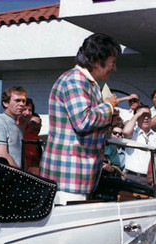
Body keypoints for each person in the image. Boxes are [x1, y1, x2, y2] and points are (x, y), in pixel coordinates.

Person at [39, 33, 121, 204]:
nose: (115, 69)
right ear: (98, 61)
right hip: (67, 182)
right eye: (113, 63)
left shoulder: (85, 82)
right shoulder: (75, 80)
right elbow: (83, 121)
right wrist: (109, 106)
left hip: (75, 179)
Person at [122, 105, 156, 183]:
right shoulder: (132, 133)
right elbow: (126, 132)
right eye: (143, 115)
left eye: (148, 115)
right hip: (132, 176)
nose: (146, 118)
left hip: (150, 178)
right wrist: (137, 114)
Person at [0, 86, 27, 168]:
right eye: (17, 100)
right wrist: (20, 174)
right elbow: (2, 154)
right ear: (5, 103)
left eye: (23, 101)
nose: (21, 104)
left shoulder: (18, 125)